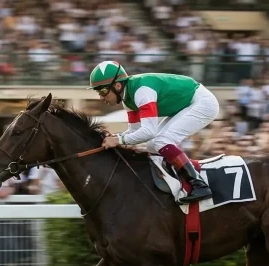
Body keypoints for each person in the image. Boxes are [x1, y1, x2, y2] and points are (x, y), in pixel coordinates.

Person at [89, 61, 216, 203]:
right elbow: (135, 131)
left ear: (117, 86)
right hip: (186, 105)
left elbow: (149, 131)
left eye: (103, 91)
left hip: (202, 103)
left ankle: (199, 185)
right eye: (98, 92)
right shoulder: (128, 99)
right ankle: (170, 183)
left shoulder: (141, 91)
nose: (101, 97)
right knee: (151, 145)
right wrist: (117, 137)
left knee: (161, 141)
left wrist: (118, 140)